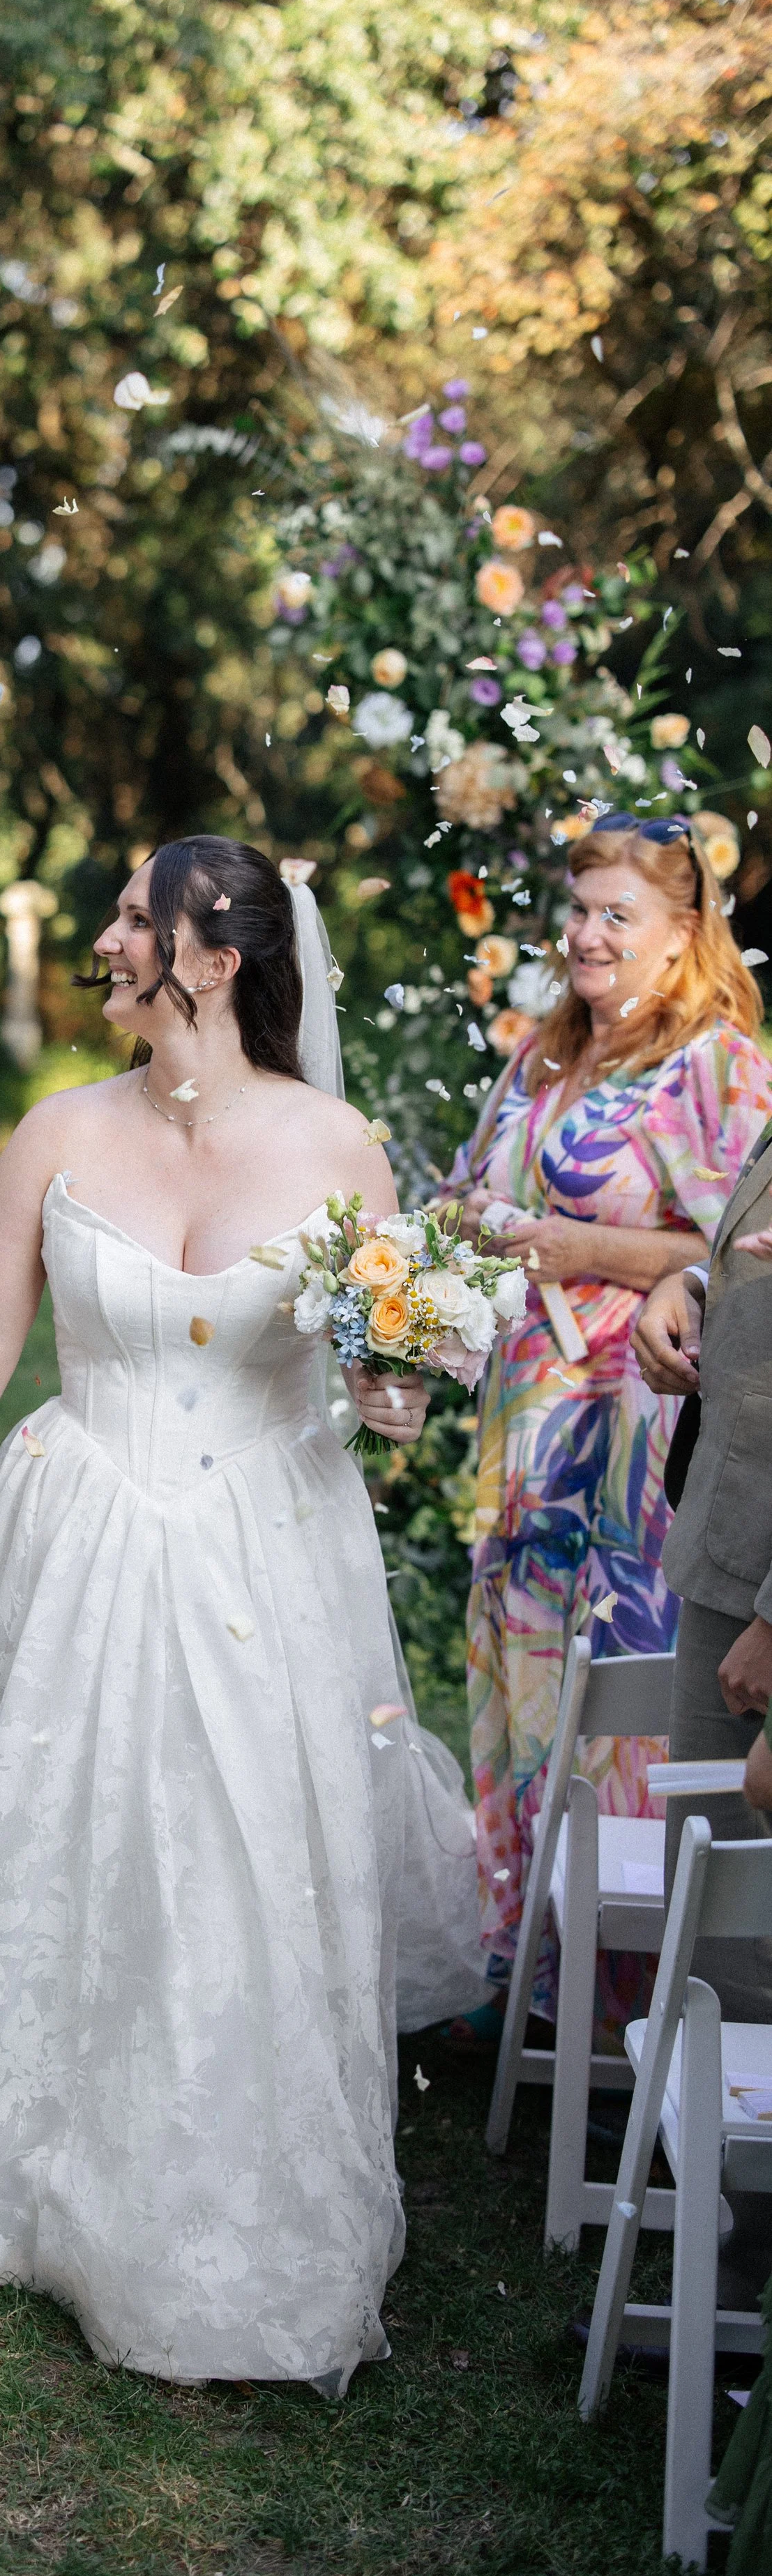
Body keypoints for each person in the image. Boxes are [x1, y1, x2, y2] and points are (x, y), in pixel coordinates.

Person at [0, 837, 482, 2394]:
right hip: (79, 1518)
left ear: (215, 957)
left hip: (263, 1547)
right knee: (58, 1821)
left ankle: (211, 2160)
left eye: (129, 919)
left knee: (234, 1841)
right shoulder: (56, 1130)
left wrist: (389, 1384)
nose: (106, 941)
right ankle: (25, 2122)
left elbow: (377, 1367)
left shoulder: (337, 1145)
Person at [437, 812, 772, 2044]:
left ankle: (626, 1990)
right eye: (577, 908)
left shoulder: (716, 1065)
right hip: (522, 1417)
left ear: (684, 933)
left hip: (631, 1430)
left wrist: (584, 1251)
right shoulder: (542, 1050)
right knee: (520, 1669)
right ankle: (525, 1961)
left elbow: (735, 1258)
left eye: (614, 913)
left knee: (608, 1681)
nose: (583, 933)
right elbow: (474, 1186)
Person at [633, 1112, 772, 2015]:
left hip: (760, 1592)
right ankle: (712, 2150)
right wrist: (686, 1284)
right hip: (729, 1544)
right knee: (714, 1908)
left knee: (740, 1922)